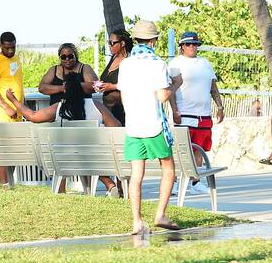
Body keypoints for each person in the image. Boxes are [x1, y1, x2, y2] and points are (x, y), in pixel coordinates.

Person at [118, 20, 179, 235]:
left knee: (136, 175)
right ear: (153, 40)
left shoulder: (125, 64)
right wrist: (176, 84)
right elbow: (162, 96)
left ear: (136, 40)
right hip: (154, 124)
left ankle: (137, 221)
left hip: (133, 125)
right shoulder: (158, 64)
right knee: (168, 169)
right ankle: (160, 214)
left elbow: (123, 95)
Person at [168, 31, 224, 195]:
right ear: (182, 47)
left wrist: (219, 106)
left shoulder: (205, 63)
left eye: (195, 44)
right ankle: (177, 183)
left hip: (204, 114)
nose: (192, 47)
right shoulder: (175, 63)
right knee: (182, 150)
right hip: (184, 113)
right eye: (188, 44)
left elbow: (213, 87)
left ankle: (195, 182)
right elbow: (170, 90)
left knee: (199, 149)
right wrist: (174, 110)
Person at [91, 28, 134, 196]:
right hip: (107, 108)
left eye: (112, 43)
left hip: (121, 109)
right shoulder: (113, 59)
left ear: (122, 43)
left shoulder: (128, 62)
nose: (109, 46)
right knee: (108, 149)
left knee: (121, 150)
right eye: (108, 43)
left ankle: (123, 187)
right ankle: (115, 187)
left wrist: (112, 86)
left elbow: (130, 84)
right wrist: (101, 85)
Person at [0, 31, 25, 186]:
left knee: (14, 150)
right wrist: (7, 107)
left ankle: (10, 182)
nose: (10, 51)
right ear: (0, 45)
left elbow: (18, 85)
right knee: (2, 149)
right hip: (3, 114)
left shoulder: (16, 59)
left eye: (12, 47)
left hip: (18, 113)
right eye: (6, 48)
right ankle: (4, 184)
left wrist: (22, 106)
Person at [38, 43, 99, 120]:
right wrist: (62, 88)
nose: (67, 59)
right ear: (60, 58)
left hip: (82, 112)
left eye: (70, 56)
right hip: (57, 112)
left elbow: (97, 86)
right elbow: (42, 88)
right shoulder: (53, 70)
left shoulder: (85, 68)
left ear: (75, 56)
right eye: (63, 57)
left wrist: (74, 86)